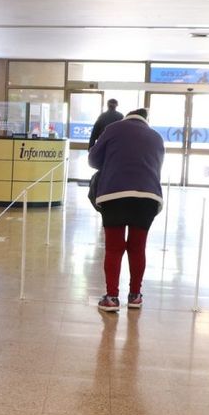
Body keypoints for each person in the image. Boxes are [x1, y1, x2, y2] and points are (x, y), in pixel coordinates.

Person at [88, 108, 164, 312]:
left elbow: (93, 160)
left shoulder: (113, 129)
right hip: (147, 197)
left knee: (114, 248)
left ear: (128, 115)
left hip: (114, 195)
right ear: (146, 119)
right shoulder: (156, 137)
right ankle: (135, 296)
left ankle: (111, 298)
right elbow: (157, 167)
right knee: (138, 248)